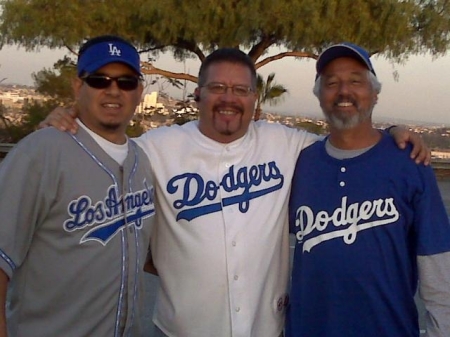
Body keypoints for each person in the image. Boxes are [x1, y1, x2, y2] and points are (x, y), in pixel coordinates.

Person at [40, 48, 430, 337]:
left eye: (241, 89)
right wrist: (67, 118)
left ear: (254, 98)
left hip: (269, 330)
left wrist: (394, 131)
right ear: (199, 95)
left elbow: (349, 137)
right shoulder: (155, 148)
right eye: (218, 88)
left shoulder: (288, 144)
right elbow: (100, 161)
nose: (230, 98)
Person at [287, 43, 450, 337]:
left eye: (355, 81)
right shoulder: (300, 161)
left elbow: (436, 260)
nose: (343, 92)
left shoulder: (410, 161)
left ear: (374, 93)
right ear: (320, 96)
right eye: (332, 83)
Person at [0, 35, 156, 337]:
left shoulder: (143, 161)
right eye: (99, 80)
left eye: (125, 81)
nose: (113, 90)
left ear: (139, 90)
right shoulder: (42, 152)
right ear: (77, 86)